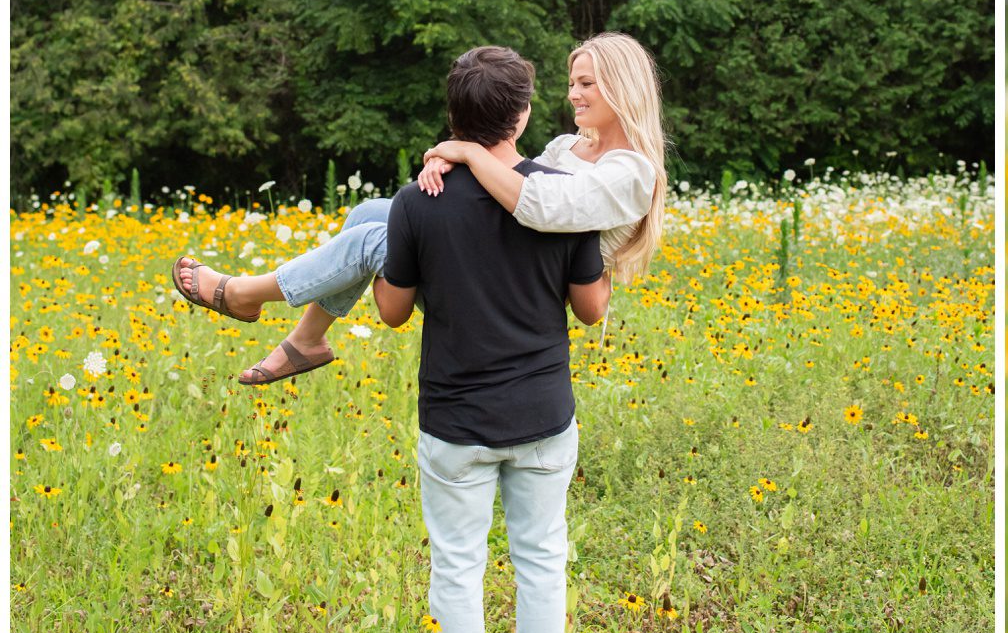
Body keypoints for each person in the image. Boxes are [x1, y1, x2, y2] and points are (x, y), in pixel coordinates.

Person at [168, 32, 667, 384]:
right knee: (371, 213)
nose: (572, 93)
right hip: (510, 254)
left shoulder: (632, 171)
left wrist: (467, 150)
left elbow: (543, 205)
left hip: (527, 287)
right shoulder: (566, 148)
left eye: (586, 83)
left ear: (622, 88)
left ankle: (244, 294)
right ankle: (307, 341)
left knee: (374, 238)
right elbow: (513, 183)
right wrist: (451, 172)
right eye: (573, 82)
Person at [367, 44, 606, 633]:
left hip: (454, 423)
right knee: (540, 561)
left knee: (457, 569)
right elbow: (592, 309)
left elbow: (390, 309)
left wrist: (390, 244)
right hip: (540, 415)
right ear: (525, 114)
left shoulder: (418, 201)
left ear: (453, 117)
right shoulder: (561, 193)